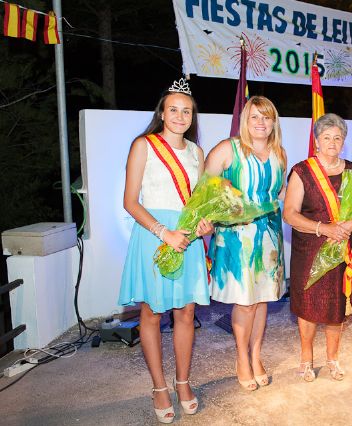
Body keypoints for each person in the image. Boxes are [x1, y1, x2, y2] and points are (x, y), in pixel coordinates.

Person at [119, 79, 212, 423]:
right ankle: (159, 386)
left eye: (186, 111)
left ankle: (182, 381)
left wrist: (205, 225)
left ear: (192, 116)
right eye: (173, 109)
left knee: (186, 311)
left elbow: (199, 203)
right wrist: (164, 233)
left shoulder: (197, 152)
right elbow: (130, 202)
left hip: (186, 237)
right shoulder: (143, 145)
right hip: (154, 236)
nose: (180, 116)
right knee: (153, 312)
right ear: (161, 112)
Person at [205, 96, 286, 391]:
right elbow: (204, 189)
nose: (261, 123)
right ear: (245, 121)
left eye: (266, 117)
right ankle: (241, 358)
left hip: (269, 237)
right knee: (245, 302)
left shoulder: (279, 153)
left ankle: (256, 355)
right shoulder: (228, 149)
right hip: (237, 238)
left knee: (262, 299)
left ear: (273, 122)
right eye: (254, 117)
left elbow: (278, 193)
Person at [283, 113, 352, 382]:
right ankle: (306, 358)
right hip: (309, 250)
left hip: (341, 250)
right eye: (326, 137)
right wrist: (323, 228)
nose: (332, 142)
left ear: (344, 141)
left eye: (338, 138)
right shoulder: (302, 171)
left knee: (336, 307)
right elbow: (290, 214)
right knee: (308, 305)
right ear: (316, 141)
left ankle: (333, 358)